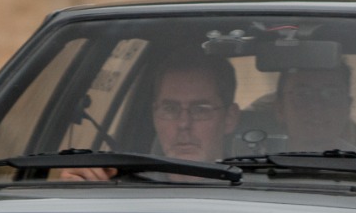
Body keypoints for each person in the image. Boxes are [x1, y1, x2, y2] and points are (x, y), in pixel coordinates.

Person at [60, 51, 239, 181]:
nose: (184, 123)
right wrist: (73, 191)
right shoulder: (116, 188)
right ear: (154, 115)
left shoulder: (261, 191)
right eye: (170, 109)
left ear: (229, 118)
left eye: (200, 109)